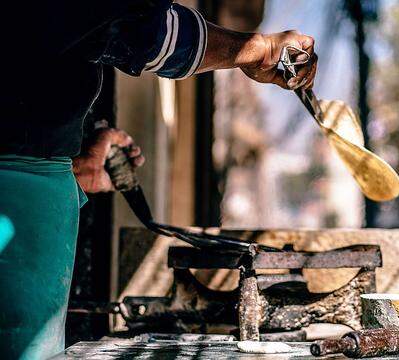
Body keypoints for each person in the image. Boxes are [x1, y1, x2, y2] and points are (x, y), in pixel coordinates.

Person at [0, 1, 318, 358]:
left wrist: (77, 145)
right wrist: (255, 50)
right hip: (17, 186)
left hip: (40, 176)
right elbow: (140, 28)